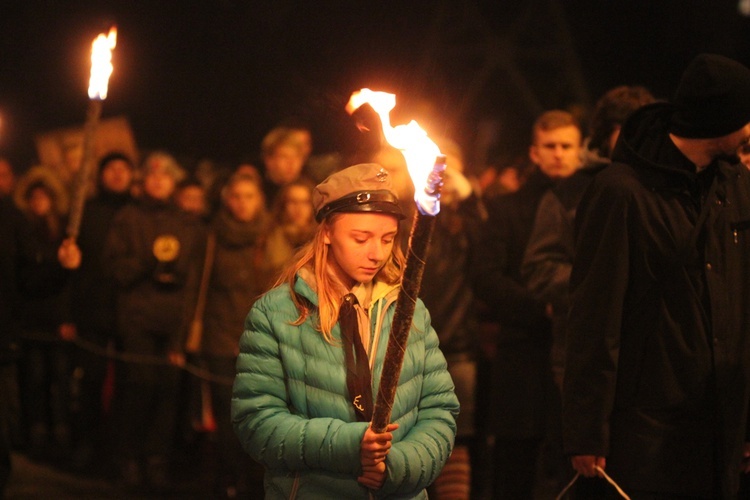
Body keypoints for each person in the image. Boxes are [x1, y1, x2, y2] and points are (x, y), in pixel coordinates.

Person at [563, 54, 750, 499]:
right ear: (719, 121)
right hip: (647, 427)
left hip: (720, 420)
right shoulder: (622, 192)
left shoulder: (736, 186)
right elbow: (595, 314)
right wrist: (587, 432)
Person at [232, 163, 460, 499]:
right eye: (361, 238)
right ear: (326, 232)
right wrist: (351, 445)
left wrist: (393, 467)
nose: (377, 254)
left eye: (388, 239)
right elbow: (257, 422)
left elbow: (439, 412)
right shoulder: (276, 314)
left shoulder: (410, 311)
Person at [471, 109, 582, 499]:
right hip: (521, 355)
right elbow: (485, 277)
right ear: (535, 152)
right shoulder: (507, 210)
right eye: (550, 146)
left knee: (570, 469)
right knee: (514, 468)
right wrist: (543, 308)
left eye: (566, 146)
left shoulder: (594, 205)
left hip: (574, 357)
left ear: (580, 150)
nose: (558, 154)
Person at [104, 151, 203, 490]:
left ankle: (156, 460)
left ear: (173, 182)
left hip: (172, 321)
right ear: (143, 180)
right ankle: (129, 458)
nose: (159, 181)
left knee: (168, 394)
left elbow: (191, 280)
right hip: (137, 321)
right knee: (138, 392)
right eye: (152, 175)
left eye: (166, 176)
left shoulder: (186, 223)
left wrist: (182, 334)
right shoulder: (127, 219)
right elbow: (115, 270)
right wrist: (148, 260)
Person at [184, 171, 269, 497]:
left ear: (259, 199)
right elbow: (197, 286)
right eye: (236, 196)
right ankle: (230, 479)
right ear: (226, 200)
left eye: (249, 196)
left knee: (260, 411)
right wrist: (187, 337)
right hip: (220, 335)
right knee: (228, 412)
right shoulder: (212, 236)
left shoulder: (270, 234)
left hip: (261, 338)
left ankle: (256, 478)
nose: (243, 203)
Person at [57, 152, 135, 471]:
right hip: (91, 310)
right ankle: (84, 444)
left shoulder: (136, 213)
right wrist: (68, 315)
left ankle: (115, 449)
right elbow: (70, 270)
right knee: (89, 382)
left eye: (123, 169)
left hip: (129, 312)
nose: (117, 175)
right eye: (111, 169)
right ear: (101, 175)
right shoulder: (85, 212)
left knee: (125, 387)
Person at [259, 178, 317, 286]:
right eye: (293, 202)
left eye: (305, 202)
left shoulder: (320, 238)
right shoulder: (270, 236)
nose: (299, 208)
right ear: (283, 205)